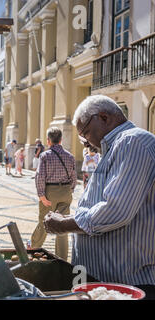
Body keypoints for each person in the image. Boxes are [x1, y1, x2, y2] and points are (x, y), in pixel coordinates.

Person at [43, 95, 155, 300]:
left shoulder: (132, 141)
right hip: (101, 280)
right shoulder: (115, 147)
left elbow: (116, 211)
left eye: (85, 133)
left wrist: (65, 224)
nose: (85, 142)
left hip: (127, 283)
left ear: (103, 117)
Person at [30, 127, 77, 261]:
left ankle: (33, 249)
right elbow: (74, 178)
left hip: (50, 192)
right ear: (61, 140)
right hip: (65, 192)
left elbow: (40, 177)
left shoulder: (45, 155)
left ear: (48, 141)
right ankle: (61, 258)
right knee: (62, 225)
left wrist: (41, 195)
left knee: (44, 222)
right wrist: (69, 190)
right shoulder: (70, 156)